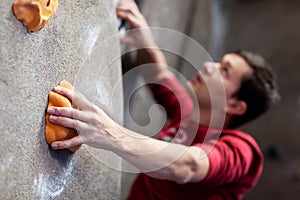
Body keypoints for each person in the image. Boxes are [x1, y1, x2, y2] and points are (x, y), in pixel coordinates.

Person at [47, 0, 280, 199]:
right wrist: (143, 37)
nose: (210, 66)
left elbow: (189, 165)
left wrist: (109, 132)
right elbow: (158, 75)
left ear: (235, 105)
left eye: (225, 71)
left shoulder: (242, 152)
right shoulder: (189, 116)